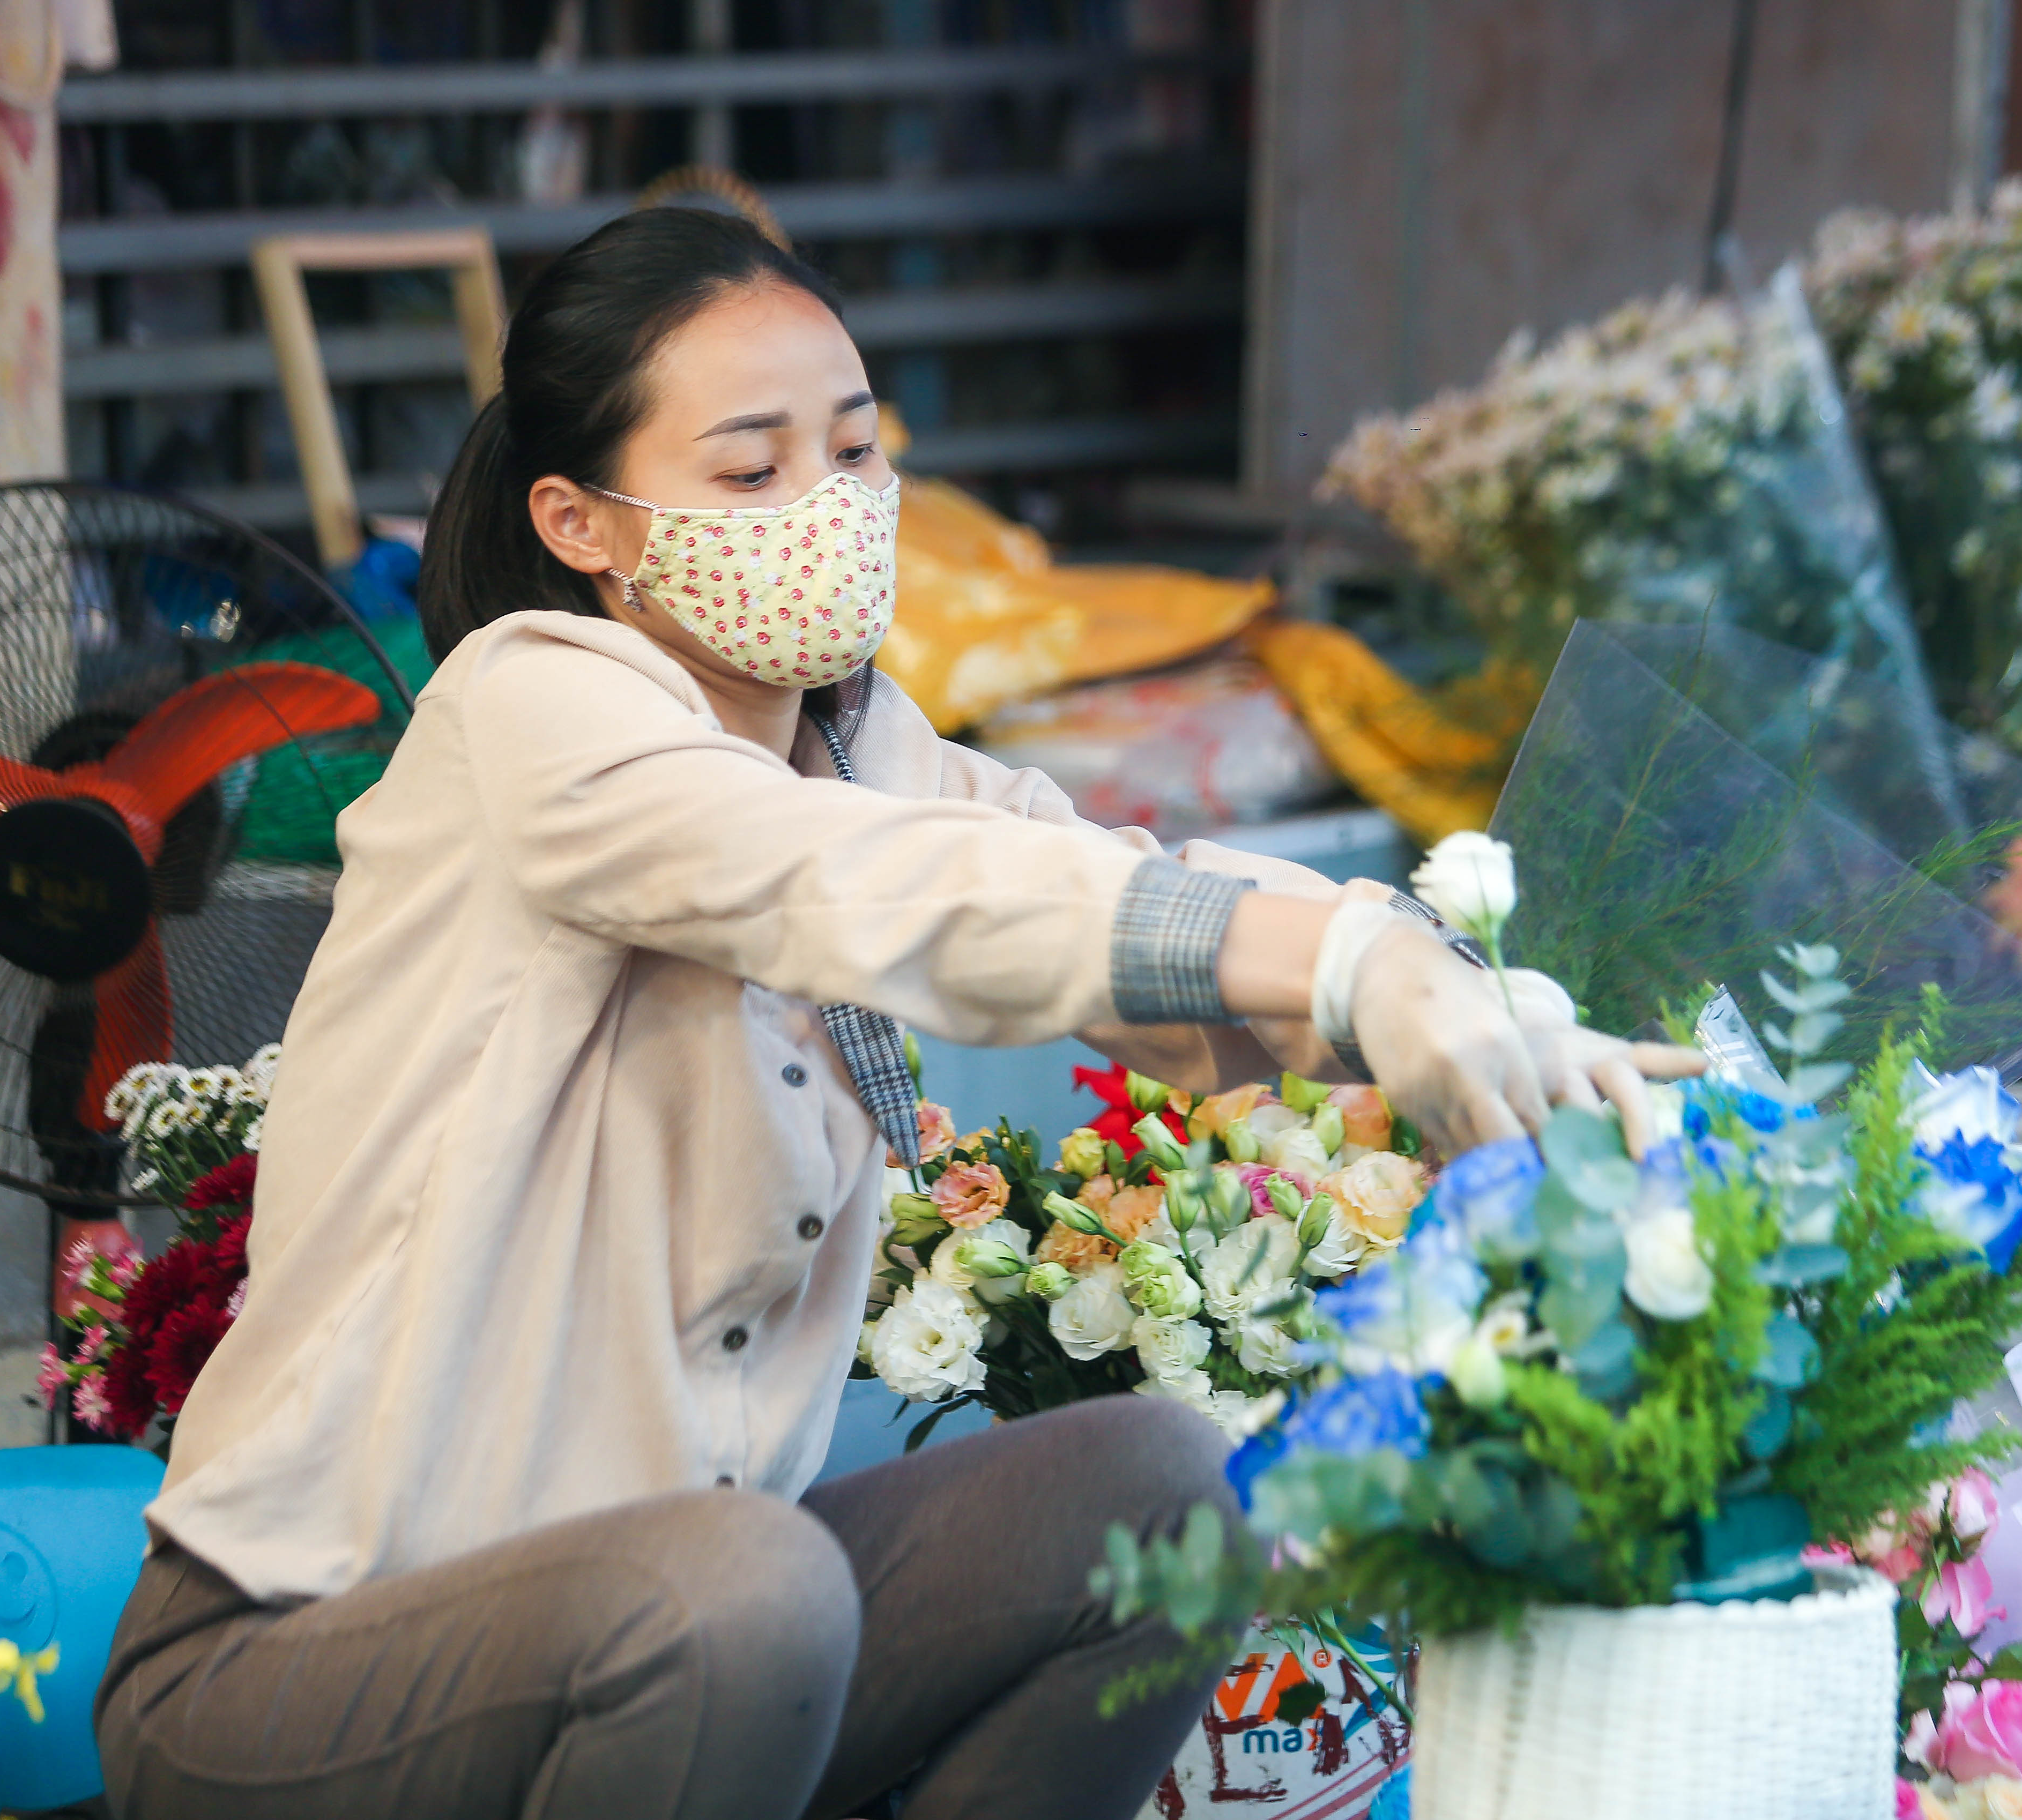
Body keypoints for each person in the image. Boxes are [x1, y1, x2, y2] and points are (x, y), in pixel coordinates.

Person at [93, 207, 1693, 1820]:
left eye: (855, 453)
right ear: (583, 521)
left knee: (1168, 1493)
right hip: (304, 1668)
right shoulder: (530, 712)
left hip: (683, 1640)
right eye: (751, 468)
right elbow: (896, 887)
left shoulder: (857, 743)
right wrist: (1341, 963)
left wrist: (1458, 987)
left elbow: (1073, 875)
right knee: (742, 1589)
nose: (831, 508)